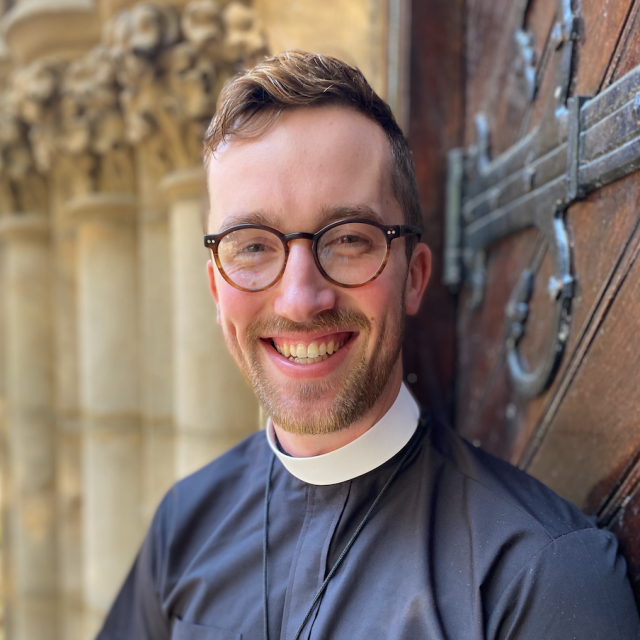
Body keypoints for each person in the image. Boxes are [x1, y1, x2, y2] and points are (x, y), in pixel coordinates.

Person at [97, 51, 640, 640]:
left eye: (349, 239)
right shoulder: (184, 524)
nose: (300, 300)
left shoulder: (538, 578)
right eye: (251, 246)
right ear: (215, 287)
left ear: (414, 276)